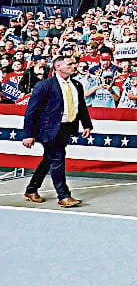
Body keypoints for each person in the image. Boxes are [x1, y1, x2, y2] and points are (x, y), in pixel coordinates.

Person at [21, 56, 93, 207]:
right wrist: (28, 134)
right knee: (57, 159)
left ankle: (31, 189)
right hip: (49, 130)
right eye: (70, 64)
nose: (74, 66)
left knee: (49, 159)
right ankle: (64, 196)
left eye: (74, 63)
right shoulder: (45, 85)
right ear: (58, 67)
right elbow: (32, 111)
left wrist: (87, 125)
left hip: (66, 128)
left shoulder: (77, 85)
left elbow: (81, 106)